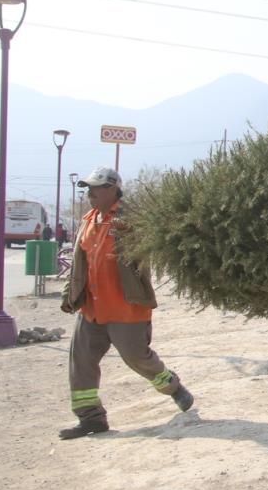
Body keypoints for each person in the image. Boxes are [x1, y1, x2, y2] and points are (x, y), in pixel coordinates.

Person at [58, 166, 194, 440]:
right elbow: (79, 264)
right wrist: (69, 294)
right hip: (92, 310)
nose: (90, 194)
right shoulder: (89, 220)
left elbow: (153, 241)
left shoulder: (131, 218)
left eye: (96, 189)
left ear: (112, 189)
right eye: (88, 189)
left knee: (137, 358)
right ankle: (91, 419)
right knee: (81, 362)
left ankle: (172, 386)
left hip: (126, 308)